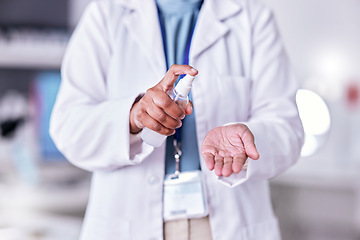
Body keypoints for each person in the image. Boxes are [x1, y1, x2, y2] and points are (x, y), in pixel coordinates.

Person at [50, 0, 304, 239]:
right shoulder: (106, 13)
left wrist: (248, 136)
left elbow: (288, 128)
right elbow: (68, 126)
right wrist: (133, 117)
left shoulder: (252, 15)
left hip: (225, 225)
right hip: (127, 223)